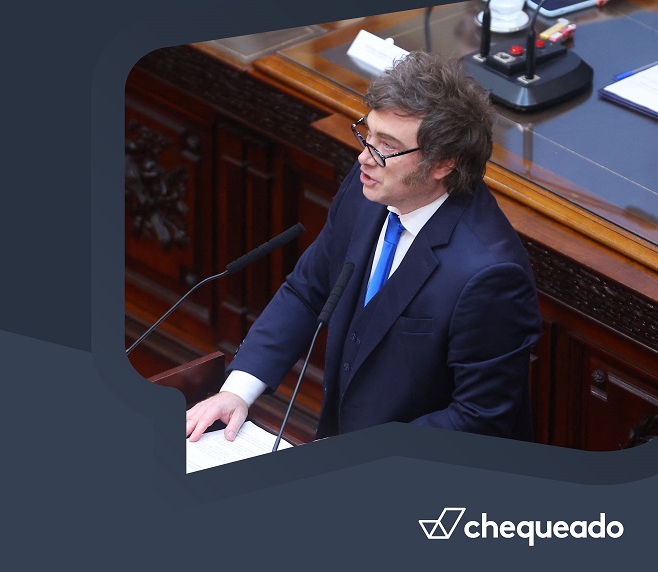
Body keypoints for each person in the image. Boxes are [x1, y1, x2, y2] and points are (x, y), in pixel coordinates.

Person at [186, 51, 542, 444]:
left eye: (386, 145)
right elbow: (308, 290)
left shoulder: (489, 274)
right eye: (367, 134)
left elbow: (477, 419)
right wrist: (237, 391)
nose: (363, 157)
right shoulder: (367, 191)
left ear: (443, 163)